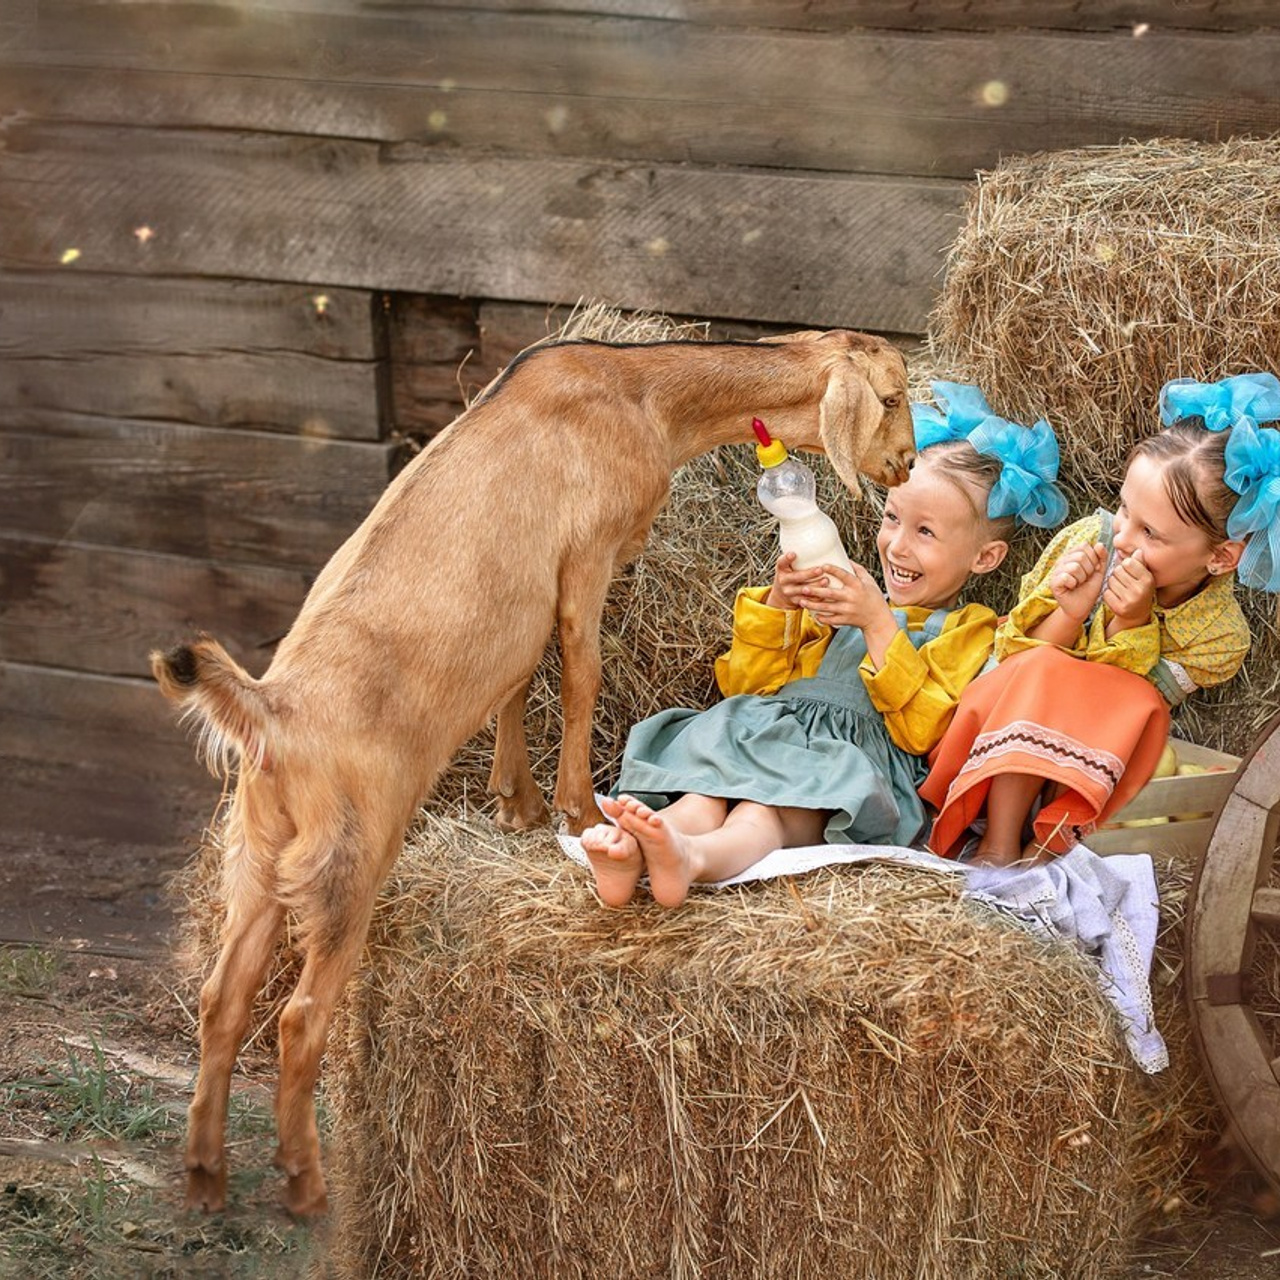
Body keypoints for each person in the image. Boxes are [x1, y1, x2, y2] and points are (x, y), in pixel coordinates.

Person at [580, 384, 1067, 908]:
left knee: (762, 813)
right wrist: (782, 603)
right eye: (892, 518)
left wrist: (880, 624)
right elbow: (747, 684)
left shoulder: (969, 630)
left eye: (925, 532)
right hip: (774, 731)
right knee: (705, 790)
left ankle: (693, 859)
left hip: (849, 761)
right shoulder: (844, 597)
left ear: (985, 558)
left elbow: (927, 732)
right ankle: (637, 846)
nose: (897, 544)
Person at [922, 372, 1280, 867]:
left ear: (1220, 557)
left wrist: (1128, 624)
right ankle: (997, 842)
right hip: (999, 726)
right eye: (1125, 509)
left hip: (1093, 760)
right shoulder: (1088, 542)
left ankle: (1046, 847)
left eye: (1151, 532)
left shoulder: (1219, 635)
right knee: (1048, 669)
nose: (1126, 537)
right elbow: (1011, 657)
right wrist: (1069, 613)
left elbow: (1122, 704)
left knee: (1137, 705)